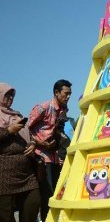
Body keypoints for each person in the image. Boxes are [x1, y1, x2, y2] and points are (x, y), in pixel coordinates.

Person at [28, 79, 72, 222]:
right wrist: (38, 142)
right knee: (45, 194)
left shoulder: (64, 110)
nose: (68, 97)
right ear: (56, 93)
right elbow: (26, 128)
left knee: (54, 192)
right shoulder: (43, 107)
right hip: (40, 156)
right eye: (66, 93)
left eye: (70, 94)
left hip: (53, 155)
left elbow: (59, 130)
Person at [0, 83, 40, 222]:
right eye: (7, 94)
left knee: (33, 203)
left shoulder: (17, 115)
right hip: (4, 176)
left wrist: (33, 144)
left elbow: (31, 135)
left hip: (26, 174)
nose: (11, 97)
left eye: (12, 95)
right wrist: (9, 131)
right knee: (5, 215)